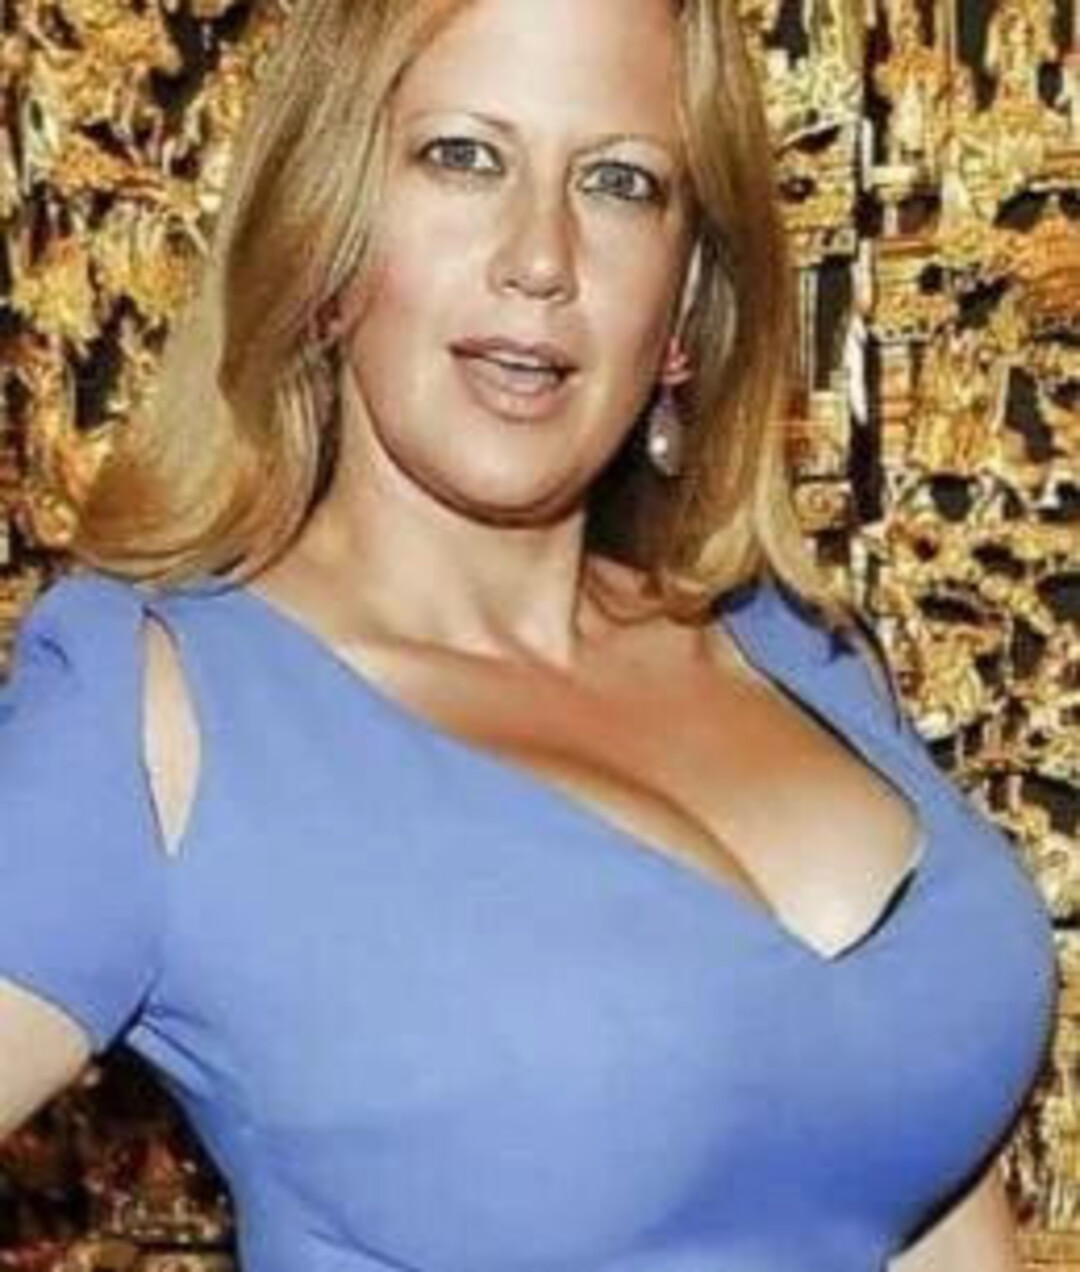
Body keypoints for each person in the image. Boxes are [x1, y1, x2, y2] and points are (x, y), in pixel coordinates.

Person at [0, 0, 1058, 1268]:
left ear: (686, 292)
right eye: (463, 157)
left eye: (620, 183)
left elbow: (922, 1187)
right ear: (325, 231)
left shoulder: (798, 648)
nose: (542, 258)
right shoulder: (156, 714)